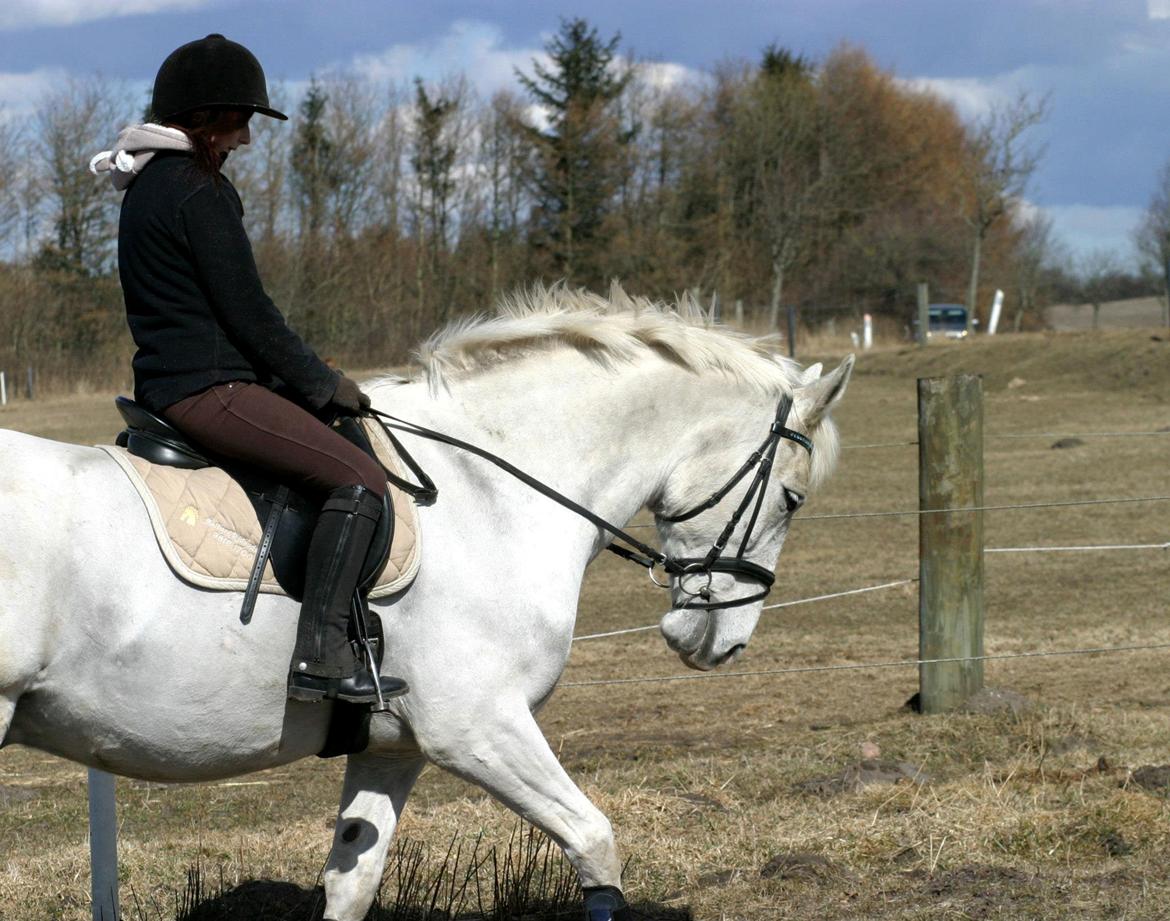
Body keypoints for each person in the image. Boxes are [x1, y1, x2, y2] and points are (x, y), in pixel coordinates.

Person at [91, 34, 406, 707]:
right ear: (206, 117)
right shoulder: (195, 189)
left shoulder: (148, 184)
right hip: (211, 389)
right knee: (359, 477)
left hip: (178, 383)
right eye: (240, 121)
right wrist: (322, 384)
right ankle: (322, 652)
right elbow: (250, 315)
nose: (246, 138)